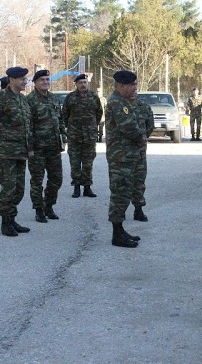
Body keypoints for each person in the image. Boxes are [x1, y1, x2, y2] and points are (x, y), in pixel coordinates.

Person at [0, 67, 32, 237]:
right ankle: (5, 222)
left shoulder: (23, 100)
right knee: (8, 187)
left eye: (26, 79)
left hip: (21, 151)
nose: (25, 82)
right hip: (5, 151)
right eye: (22, 79)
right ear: (11, 79)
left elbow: (27, 126)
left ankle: (12, 218)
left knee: (19, 188)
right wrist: (2, 139)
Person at [105, 70, 148, 248]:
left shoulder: (122, 101)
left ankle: (120, 229)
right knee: (119, 194)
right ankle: (117, 234)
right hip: (120, 157)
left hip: (128, 155)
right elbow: (128, 126)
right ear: (122, 86)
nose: (134, 88)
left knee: (125, 192)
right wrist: (141, 137)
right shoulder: (116, 102)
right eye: (132, 85)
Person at [26, 69, 67, 223]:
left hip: (54, 147)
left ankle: (49, 205)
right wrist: (29, 148)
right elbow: (27, 126)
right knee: (37, 180)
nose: (45, 82)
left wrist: (63, 137)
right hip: (37, 148)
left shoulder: (54, 99)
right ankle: (38, 210)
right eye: (42, 80)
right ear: (35, 83)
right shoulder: (30, 100)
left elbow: (60, 120)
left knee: (56, 178)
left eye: (47, 80)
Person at [62, 73, 103, 198]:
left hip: (89, 136)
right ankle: (76, 187)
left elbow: (99, 113)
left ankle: (87, 187)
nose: (83, 85)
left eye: (84, 82)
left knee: (88, 162)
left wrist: (92, 126)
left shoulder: (93, 97)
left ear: (87, 83)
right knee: (74, 162)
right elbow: (65, 114)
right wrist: (71, 127)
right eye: (80, 83)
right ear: (76, 84)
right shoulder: (70, 97)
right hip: (74, 135)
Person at [131, 97, 154, 222]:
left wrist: (142, 138)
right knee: (121, 181)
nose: (133, 89)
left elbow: (150, 125)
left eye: (135, 86)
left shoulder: (144, 106)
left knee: (139, 179)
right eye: (131, 85)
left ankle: (138, 208)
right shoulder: (119, 105)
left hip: (139, 149)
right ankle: (118, 212)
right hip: (122, 150)